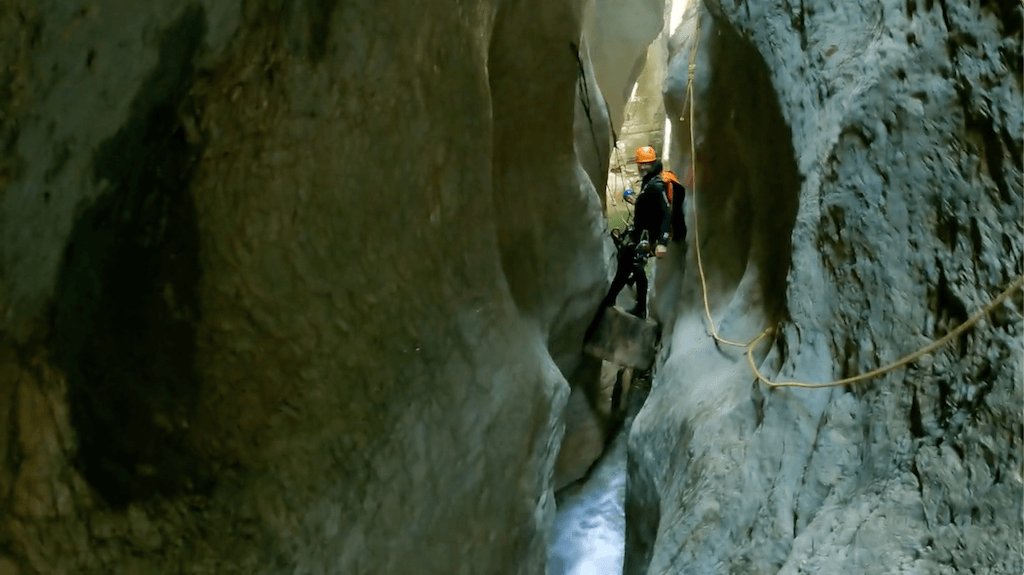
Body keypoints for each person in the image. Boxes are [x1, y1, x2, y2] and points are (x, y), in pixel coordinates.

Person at [600, 145, 672, 319]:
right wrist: (633, 198)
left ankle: (627, 305)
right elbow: (647, 207)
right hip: (642, 234)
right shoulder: (650, 182)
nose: (642, 167)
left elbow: (664, 215)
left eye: (644, 163)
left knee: (631, 266)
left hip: (648, 236)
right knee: (630, 266)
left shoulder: (656, 185)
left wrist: (661, 242)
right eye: (641, 163)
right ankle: (624, 303)